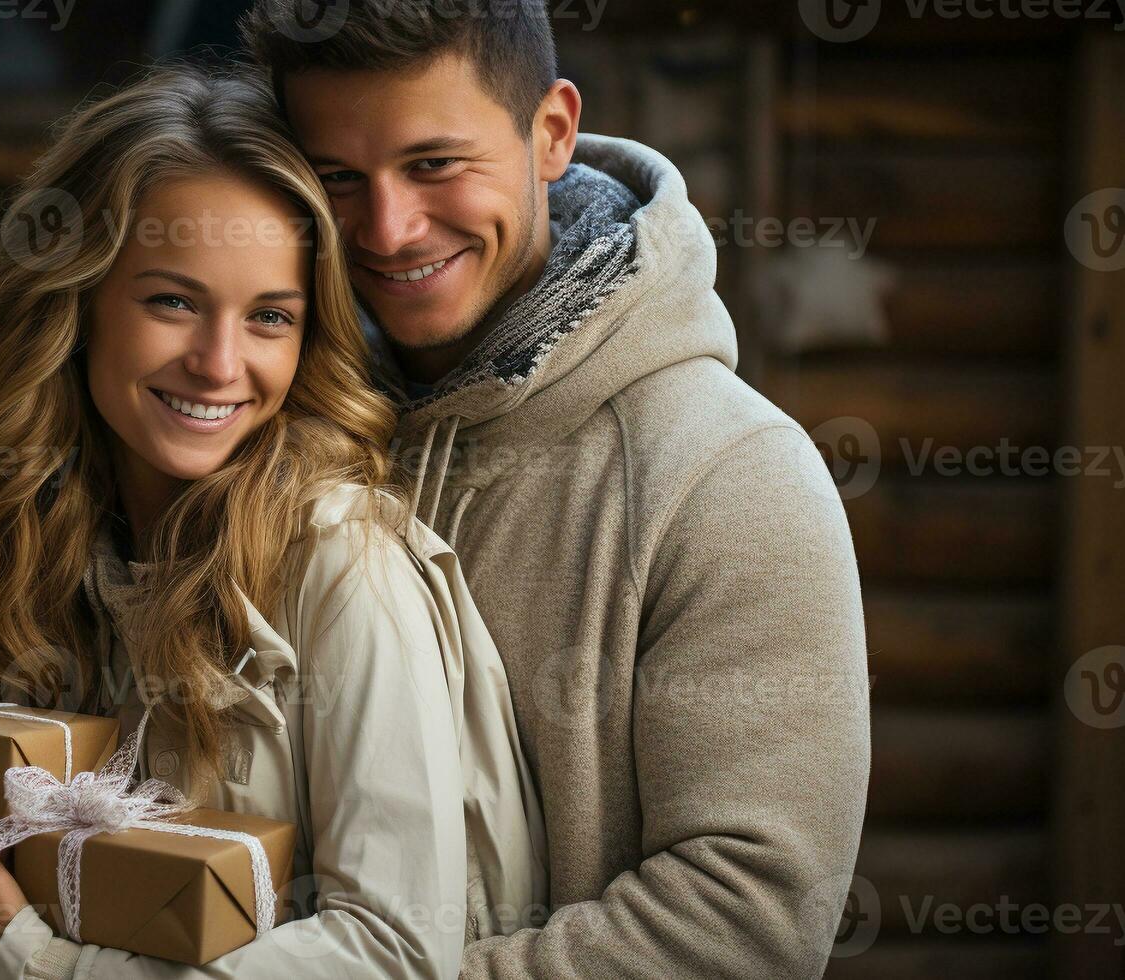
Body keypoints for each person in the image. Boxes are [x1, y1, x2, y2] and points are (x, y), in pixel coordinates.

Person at [0, 66, 544, 980]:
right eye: (172, 301)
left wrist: (24, 965)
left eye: (268, 318)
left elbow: (396, 952)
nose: (219, 363)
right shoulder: (20, 543)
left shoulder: (338, 559)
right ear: (78, 302)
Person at [234, 2, 871, 978]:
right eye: (340, 180)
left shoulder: (733, 475)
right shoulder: (264, 428)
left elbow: (745, 924)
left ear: (553, 134)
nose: (391, 229)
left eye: (435, 164)